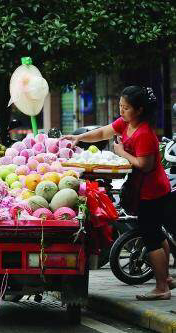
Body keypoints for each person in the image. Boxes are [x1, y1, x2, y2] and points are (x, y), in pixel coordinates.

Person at [62, 86, 174, 300]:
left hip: (152, 191)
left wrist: (121, 152)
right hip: (144, 189)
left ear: (139, 110)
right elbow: (104, 131)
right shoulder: (126, 124)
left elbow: (145, 164)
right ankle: (166, 278)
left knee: (151, 237)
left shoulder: (144, 134)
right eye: (120, 107)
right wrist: (79, 138)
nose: (121, 111)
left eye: (126, 108)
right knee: (157, 235)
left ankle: (161, 288)